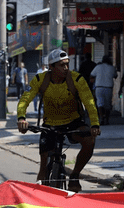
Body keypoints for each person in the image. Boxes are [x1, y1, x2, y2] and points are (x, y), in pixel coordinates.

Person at [16, 49, 101, 193]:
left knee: (89, 141)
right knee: (43, 166)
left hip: (73, 122)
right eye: (61, 65)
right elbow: (25, 99)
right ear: (51, 67)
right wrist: (21, 118)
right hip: (50, 125)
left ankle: (74, 175)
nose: (65, 68)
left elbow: (89, 102)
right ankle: (39, 199)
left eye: (67, 64)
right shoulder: (40, 80)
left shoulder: (76, 79)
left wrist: (95, 124)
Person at [90, 55, 118, 125]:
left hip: (99, 87)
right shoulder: (112, 68)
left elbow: (92, 75)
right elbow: (115, 76)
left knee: (100, 103)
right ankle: (107, 119)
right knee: (108, 104)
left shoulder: (98, 67)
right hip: (108, 88)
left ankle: (101, 118)